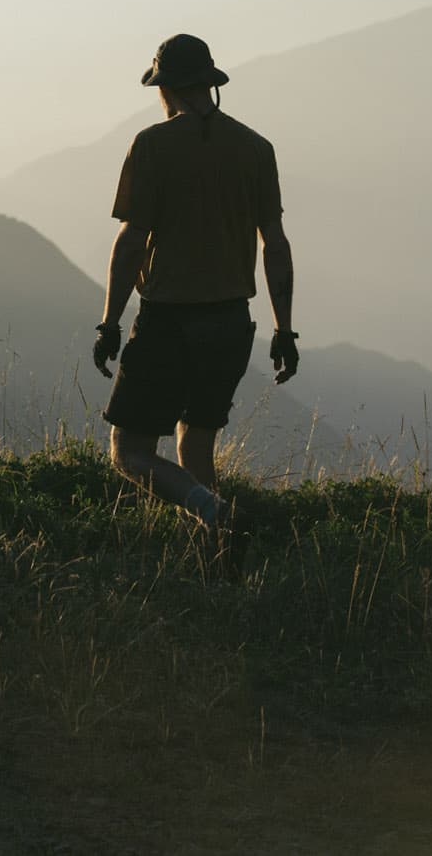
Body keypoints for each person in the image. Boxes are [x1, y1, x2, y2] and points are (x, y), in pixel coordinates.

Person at [92, 33, 297, 534]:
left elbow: (131, 243)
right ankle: (219, 551)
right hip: (230, 322)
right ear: (209, 83)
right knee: (195, 443)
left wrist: (109, 323)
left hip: (168, 320)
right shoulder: (255, 149)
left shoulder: (152, 146)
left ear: (166, 88)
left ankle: (217, 514)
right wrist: (284, 330)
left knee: (130, 453)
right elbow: (276, 244)